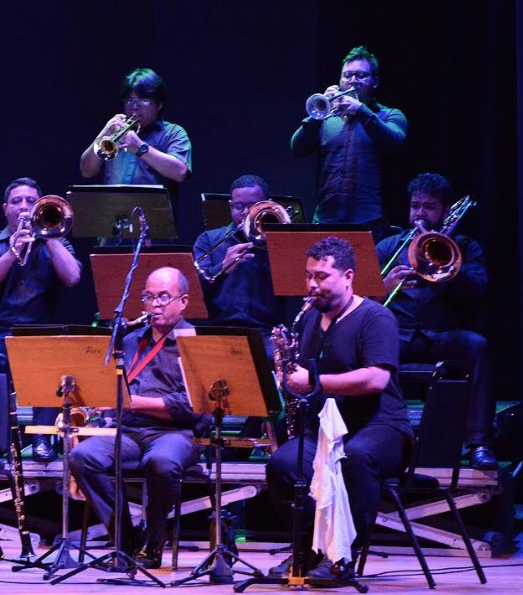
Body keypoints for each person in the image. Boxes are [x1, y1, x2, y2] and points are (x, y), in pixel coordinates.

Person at [265, 237, 412, 583]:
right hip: (326, 428)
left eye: (322, 277)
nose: (312, 285)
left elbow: (376, 378)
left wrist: (312, 380)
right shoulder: (309, 320)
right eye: (308, 276)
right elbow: (299, 378)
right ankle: (307, 550)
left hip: (380, 427)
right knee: (282, 466)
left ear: (348, 277)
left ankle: (342, 556)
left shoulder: (376, 318)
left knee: (355, 457)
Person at [69, 267, 208, 570]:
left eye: (163, 297)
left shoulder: (196, 343)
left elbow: (191, 407)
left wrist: (129, 403)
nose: (155, 304)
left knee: (160, 463)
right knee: (82, 457)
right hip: (130, 431)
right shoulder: (132, 341)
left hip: (177, 433)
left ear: (184, 302)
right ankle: (125, 541)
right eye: (149, 297)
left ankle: (155, 540)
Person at [376, 172, 495, 469]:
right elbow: (359, 299)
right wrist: (384, 287)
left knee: (478, 346)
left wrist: (449, 269)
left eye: (429, 207)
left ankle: (479, 443)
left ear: (445, 211)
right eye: (415, 205)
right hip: (398, 336)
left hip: (443, 335)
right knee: (358, 345)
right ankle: (364, 435)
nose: (420, 213)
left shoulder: (465, 247)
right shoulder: (389, 247)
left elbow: (480, 290)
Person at [0, 177, 82, 461]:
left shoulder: (57, 242)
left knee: (52, 359)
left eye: (31, 201)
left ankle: (43, 437)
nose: (23, 207)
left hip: (41, 332)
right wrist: (12, 252)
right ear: (5, 208)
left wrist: (49, 235)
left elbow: (73, 277)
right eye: (17, 201)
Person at [291, 46, 408, 242]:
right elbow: (297, 148)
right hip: (326, 220)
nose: (353, 80)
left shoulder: (389, 115)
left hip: (370, 222)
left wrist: (361, 110)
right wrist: (317, 115)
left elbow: (395, 141)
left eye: (361, 75)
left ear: (375, 81)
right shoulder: (327, 117)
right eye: (347, 75)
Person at [79, 68, 192, 230]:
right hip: (113, 230)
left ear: (159, 104)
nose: (134, 107)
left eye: (143, 100)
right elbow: (86, 170)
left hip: (154, 233)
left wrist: (140, 147)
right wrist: (104, 132)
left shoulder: (173, 133)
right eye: (129, 100)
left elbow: (180, 172)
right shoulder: (115, 134)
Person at [193, 174, 288, 354]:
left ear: (267, 204)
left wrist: (278, 242)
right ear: (230, 206)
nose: (245, 212)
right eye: (238, 207)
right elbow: (194, 291)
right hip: (220, 331)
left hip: (268, 334)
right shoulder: (209, 240)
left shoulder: (278, 242)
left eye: (252, 206)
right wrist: (222, 268)